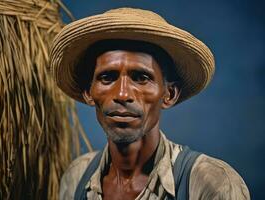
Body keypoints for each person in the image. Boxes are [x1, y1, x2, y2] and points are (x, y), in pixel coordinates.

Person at [49, 8, 250, 200]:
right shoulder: (77, 177)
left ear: (169, 94)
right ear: (88, 93)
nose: (122, 94)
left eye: (141, 77)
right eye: (107, 77)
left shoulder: (212, 184)